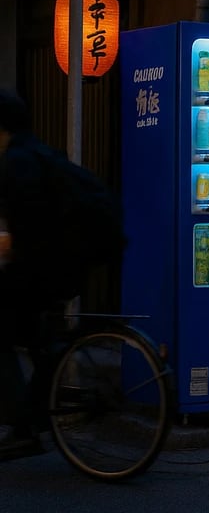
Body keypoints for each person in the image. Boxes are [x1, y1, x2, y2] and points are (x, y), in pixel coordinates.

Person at [0, 89, 62, 457]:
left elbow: (22, 227)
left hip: (35, 271)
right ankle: (38, 414)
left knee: (3, 336)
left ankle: (23, 426)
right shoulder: (40, 152)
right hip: (57, 266)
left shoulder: (17, 160)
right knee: (38, 341)